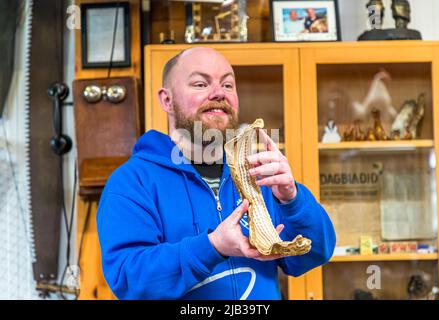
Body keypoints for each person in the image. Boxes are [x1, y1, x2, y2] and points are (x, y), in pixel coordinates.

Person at [96, 47, 336, 300]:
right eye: (200, 83)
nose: (219, 93)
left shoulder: (258, 173)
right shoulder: (132, 183)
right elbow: (130, 280)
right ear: (167, 100)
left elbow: (316, 253)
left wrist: (291, 199)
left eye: (228, 85)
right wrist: (212, 247)